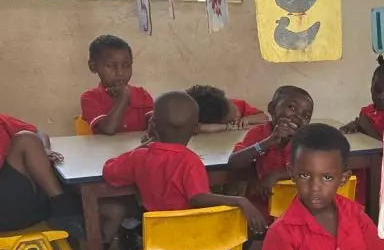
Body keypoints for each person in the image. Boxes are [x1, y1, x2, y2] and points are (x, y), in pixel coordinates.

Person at [102, 92, 266, 232]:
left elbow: (109, 171)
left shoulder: (138, 157)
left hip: (156, 238)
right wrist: (239, 200)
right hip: (192, 235)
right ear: (196, 128)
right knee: (238, 225)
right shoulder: (190, 161)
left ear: (152, 124)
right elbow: (198, 198)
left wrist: (146, 143)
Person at [256, 123, 384, 250]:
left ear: (343, 178)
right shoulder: (282, 233)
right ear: (291, 173)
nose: (314, 187)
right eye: (305, 175)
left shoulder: (357, 217)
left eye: (327, 177)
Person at [228, 86, 314, 211]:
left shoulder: (306, 140)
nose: (298, 117)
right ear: (272, 108)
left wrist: (276, 175)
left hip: (297, 208)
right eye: (292, 108)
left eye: (306, 116)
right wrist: (267, 142)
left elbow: (313, 170)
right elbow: (234, 163)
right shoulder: (259, 132)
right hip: (263, 205)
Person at [0, 113, 84, 238]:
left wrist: (44, 149)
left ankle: (67, 212)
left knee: (28, 140)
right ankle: (65, 209)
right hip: (6, 214)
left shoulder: (2, 120)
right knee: (25, 141)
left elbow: (37, 133)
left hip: (25, 202)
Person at [80, 35, 155, 135]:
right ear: (93, 67)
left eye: (126, 66)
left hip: (139, 150)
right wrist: (124, 98)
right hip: (104, 150)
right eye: (111, 66)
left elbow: (157, 127)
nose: (120, 73)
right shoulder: (90, 98)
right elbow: (109, 129)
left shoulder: (142, 95)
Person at [341, 55, 384, 140]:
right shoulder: (368, 111)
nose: (381, 96)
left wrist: (367, 127)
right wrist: (355, 125)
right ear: (371, 89)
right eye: (377, 90)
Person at [187, 84, 269, 133]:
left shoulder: (238, 104)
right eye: (234, 118)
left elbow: (264, 118)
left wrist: (247, 119)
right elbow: (192, 129)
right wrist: (226, 127)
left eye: (236, 110)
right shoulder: (194, 118)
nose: (237, 114)